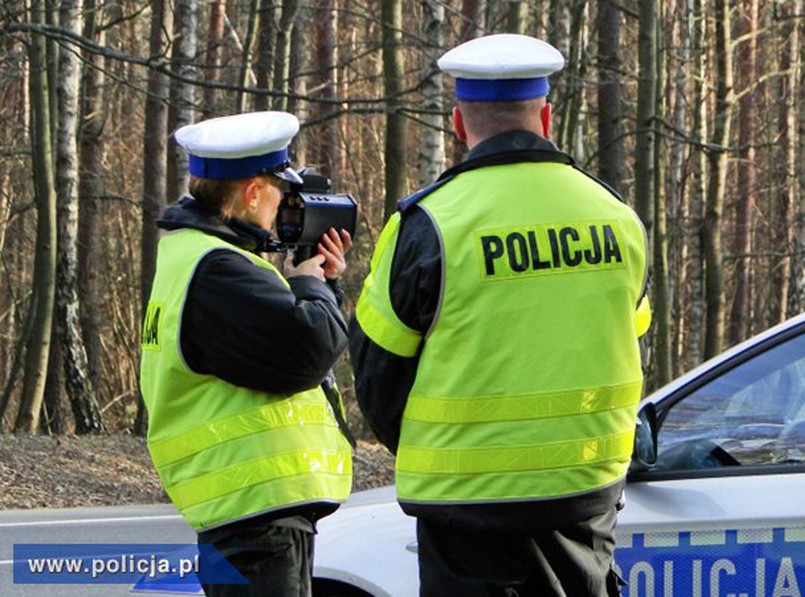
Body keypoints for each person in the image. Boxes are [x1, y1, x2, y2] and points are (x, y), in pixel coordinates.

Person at [349, 34, 651, 596]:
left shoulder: (428, 225)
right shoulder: (616, 217)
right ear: (547, 115)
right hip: (585, 499)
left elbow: (377, 376)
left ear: (459, 125)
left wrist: (440, 446)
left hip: (467, 510)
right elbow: (631, 345)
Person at [139, 111, 354, 597]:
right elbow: (306, 352)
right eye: (280, 193)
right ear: (253, 192)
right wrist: (313, 287)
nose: (284, 209)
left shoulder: (197, 257)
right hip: (257, 515)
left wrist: (318, 285)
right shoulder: (221, 270)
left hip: (249, 512)